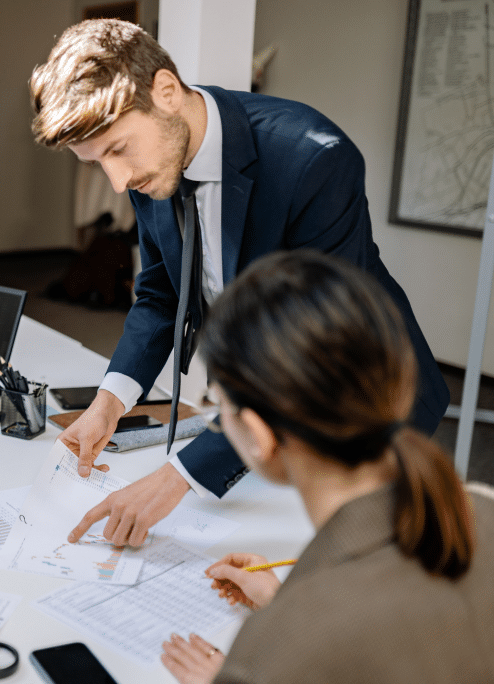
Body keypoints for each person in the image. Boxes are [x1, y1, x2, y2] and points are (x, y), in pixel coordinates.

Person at [29, 19, 450, 546]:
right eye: (97, 164)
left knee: (347, 565)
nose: (118, 182)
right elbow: (161, 295)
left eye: (117, 150)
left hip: (364, 405)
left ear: (165, 91)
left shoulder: (312, 158)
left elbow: (312, 348)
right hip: (266, 424)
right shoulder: (149, 161)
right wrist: (107, 405)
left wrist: (177, 478)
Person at [154, 251, 494, 684]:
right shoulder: (481, 506)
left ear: (258, 434)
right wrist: (288, 602)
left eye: (216, 404)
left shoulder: (270, 653)